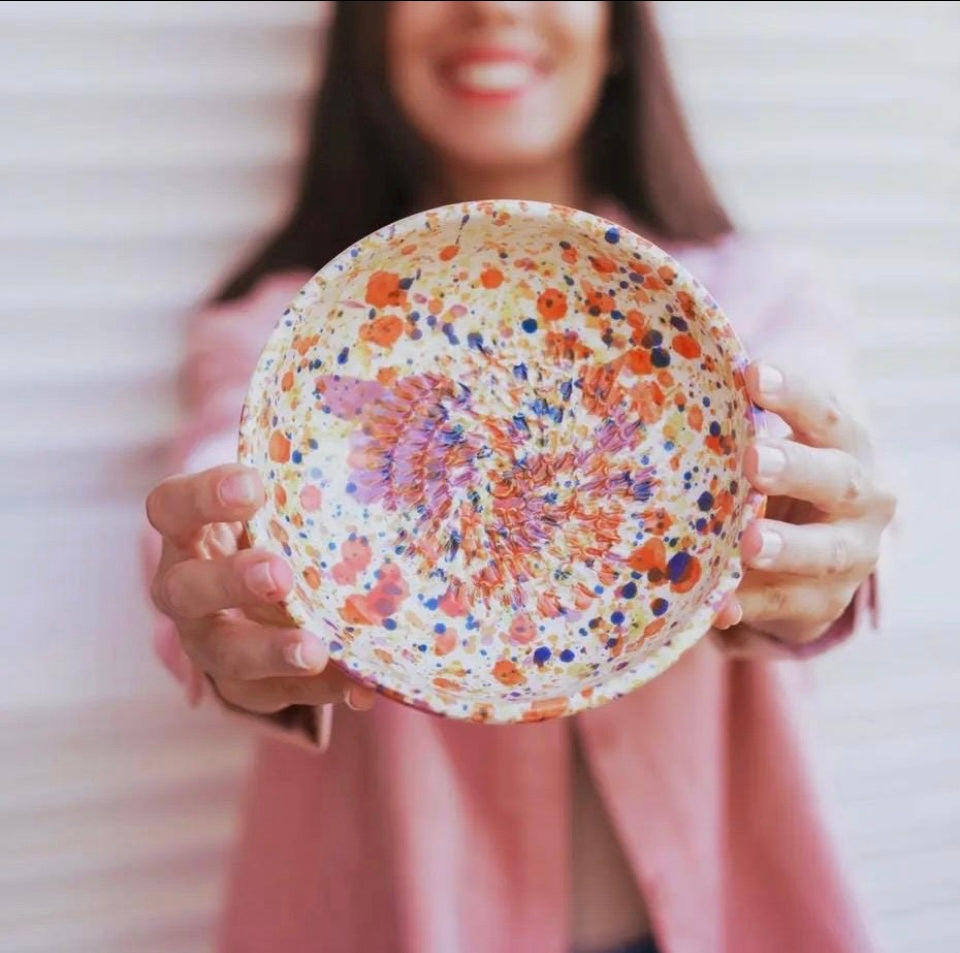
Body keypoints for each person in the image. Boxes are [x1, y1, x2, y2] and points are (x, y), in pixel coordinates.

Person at [143, 3, 895, 952]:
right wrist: (223, 584)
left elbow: (831, 470)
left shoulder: (757, 300)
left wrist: (817, 556)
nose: (492, 6)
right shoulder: (277, 336)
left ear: (619, 28)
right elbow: (218, 465)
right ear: (369, 32)